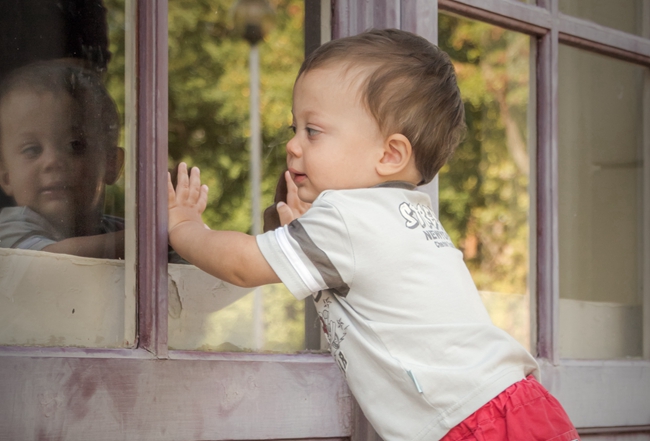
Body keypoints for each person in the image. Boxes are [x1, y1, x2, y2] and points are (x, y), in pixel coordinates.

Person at [167, 29, 579, 441]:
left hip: (476, 424)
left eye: (313, 131)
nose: (292, 146)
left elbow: (242, 266)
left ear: (389, 154)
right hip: (518, 407)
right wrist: (301, 229)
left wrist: (184, 226)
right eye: (295, 128)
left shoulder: (349, 218)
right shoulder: (407, 213)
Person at [0, 60, 124, 259]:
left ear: (111, 163)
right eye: (32, 149)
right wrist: (149, 238)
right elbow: (49, 260)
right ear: (5, 176)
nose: (52, 161)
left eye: (75, 145)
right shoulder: (9, 228)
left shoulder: (118, 230)